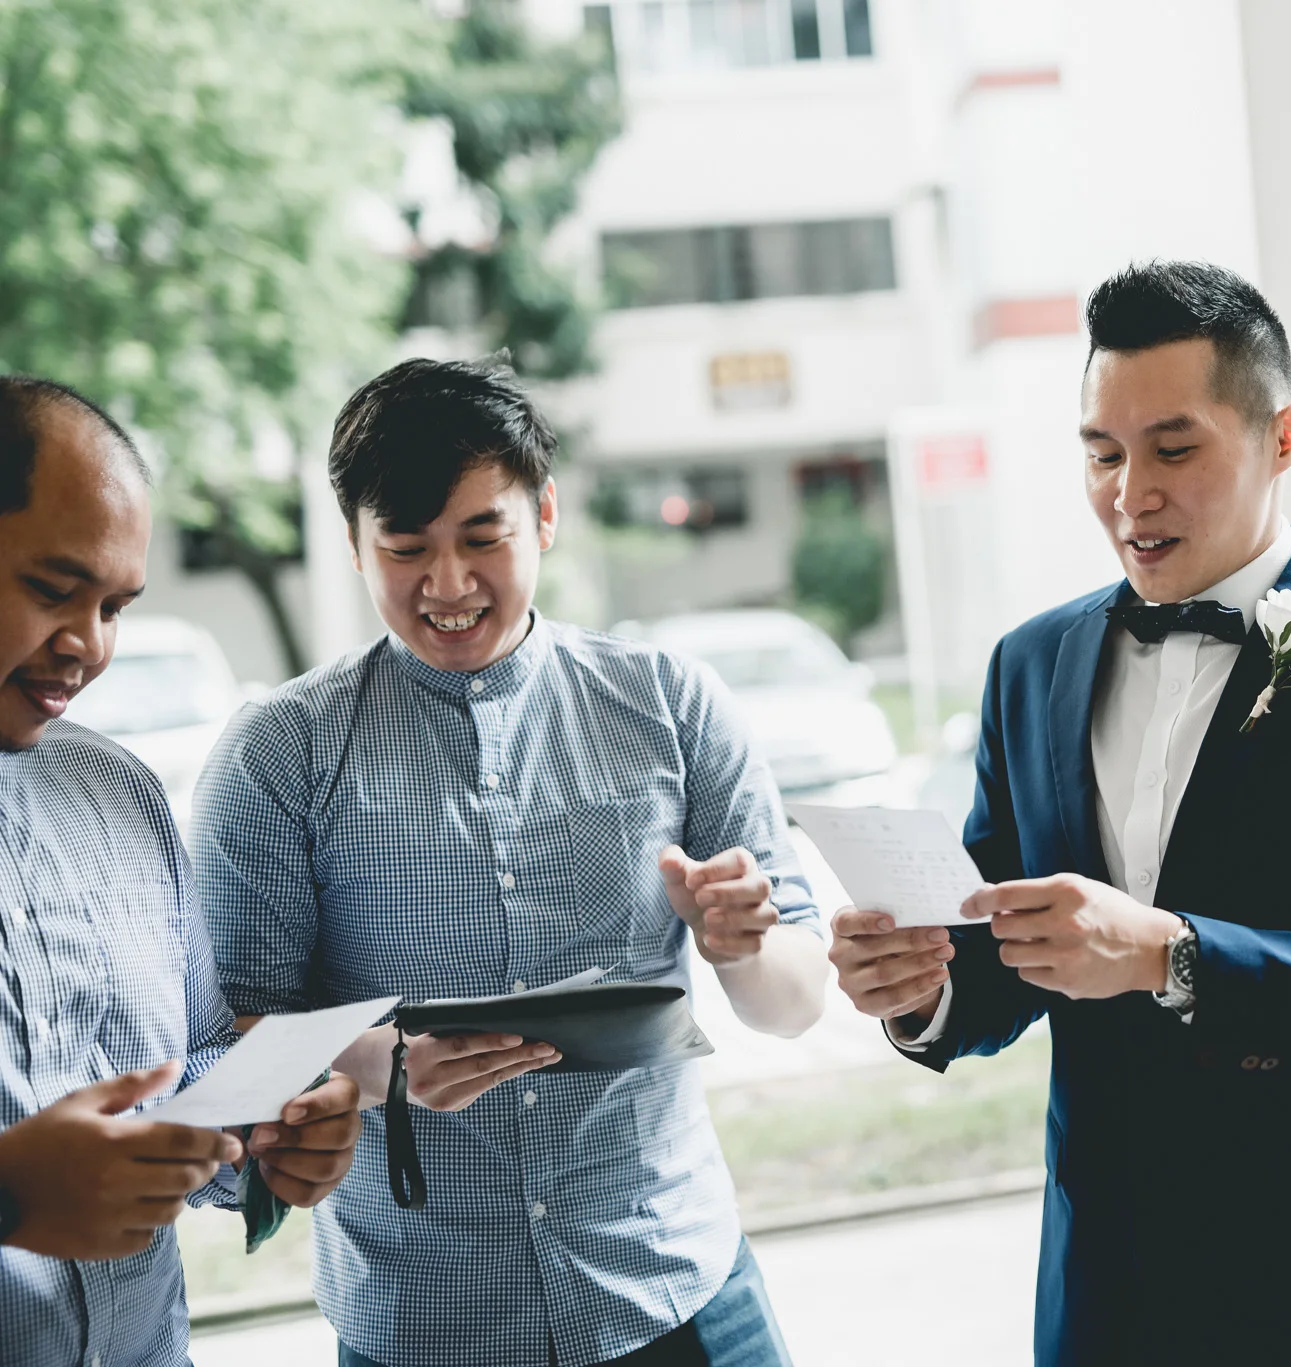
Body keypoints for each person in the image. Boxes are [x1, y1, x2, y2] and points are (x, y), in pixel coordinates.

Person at [828, 262, 1291, 1366]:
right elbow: (1010, 950)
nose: (1129, 494)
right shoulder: (1030, 666)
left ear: (1284, 438)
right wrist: (922, 989)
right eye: (1101, 454)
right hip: (1108, 1293)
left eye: (1172, 449)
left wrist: (1175, 955)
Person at [190, 357, 828, 1367]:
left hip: (675, 1280)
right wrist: (379, 1063)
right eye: (406, 549)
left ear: (546, 515)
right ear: (354, 545)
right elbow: (231, 1038)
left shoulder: (670, 701)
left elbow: (794, 1003)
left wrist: (742, 945)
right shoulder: (280, 751)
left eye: (483, 537)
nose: (448, 585)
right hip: (422, 1318)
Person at [0, 376, 362, 1367]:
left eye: (115, 606)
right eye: (53, 589)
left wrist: (270, 1123)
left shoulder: (122, 795)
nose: (89, 645)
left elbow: (190, 1061)